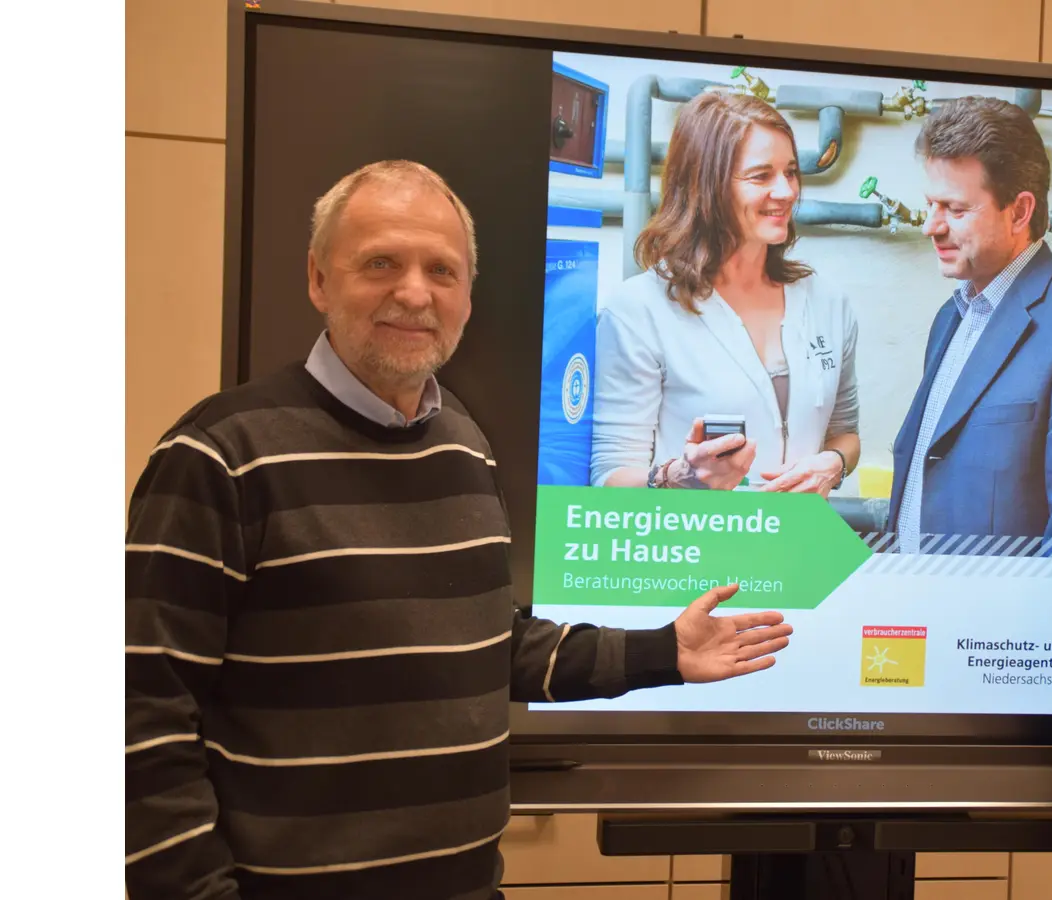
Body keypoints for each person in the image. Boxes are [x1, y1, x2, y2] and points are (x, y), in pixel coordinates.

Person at [124, 160, 794, 900]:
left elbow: (488, 646)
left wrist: (662, 651)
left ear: (468, 298)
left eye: (442, 270)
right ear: (318, 279)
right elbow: (139, 723)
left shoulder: (462, 443)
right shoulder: (218, 456)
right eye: (381, 262)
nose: (415, 293)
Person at [888, 95, 1052, 554]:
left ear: (1020, 212)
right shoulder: (952, 316)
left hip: (995, 623)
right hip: (916, 611)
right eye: (930, 205)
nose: (931, 226)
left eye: (955, 209)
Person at [590, 90, 861, 497]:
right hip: (693, 553)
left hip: (800, 550)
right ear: (706, 186)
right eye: (761, 176)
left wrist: (834, 465)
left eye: (790, 172)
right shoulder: (638, 310)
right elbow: (610, 478)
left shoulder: (827, 303)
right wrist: (679, 475)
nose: (787, 192)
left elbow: (845, 434)